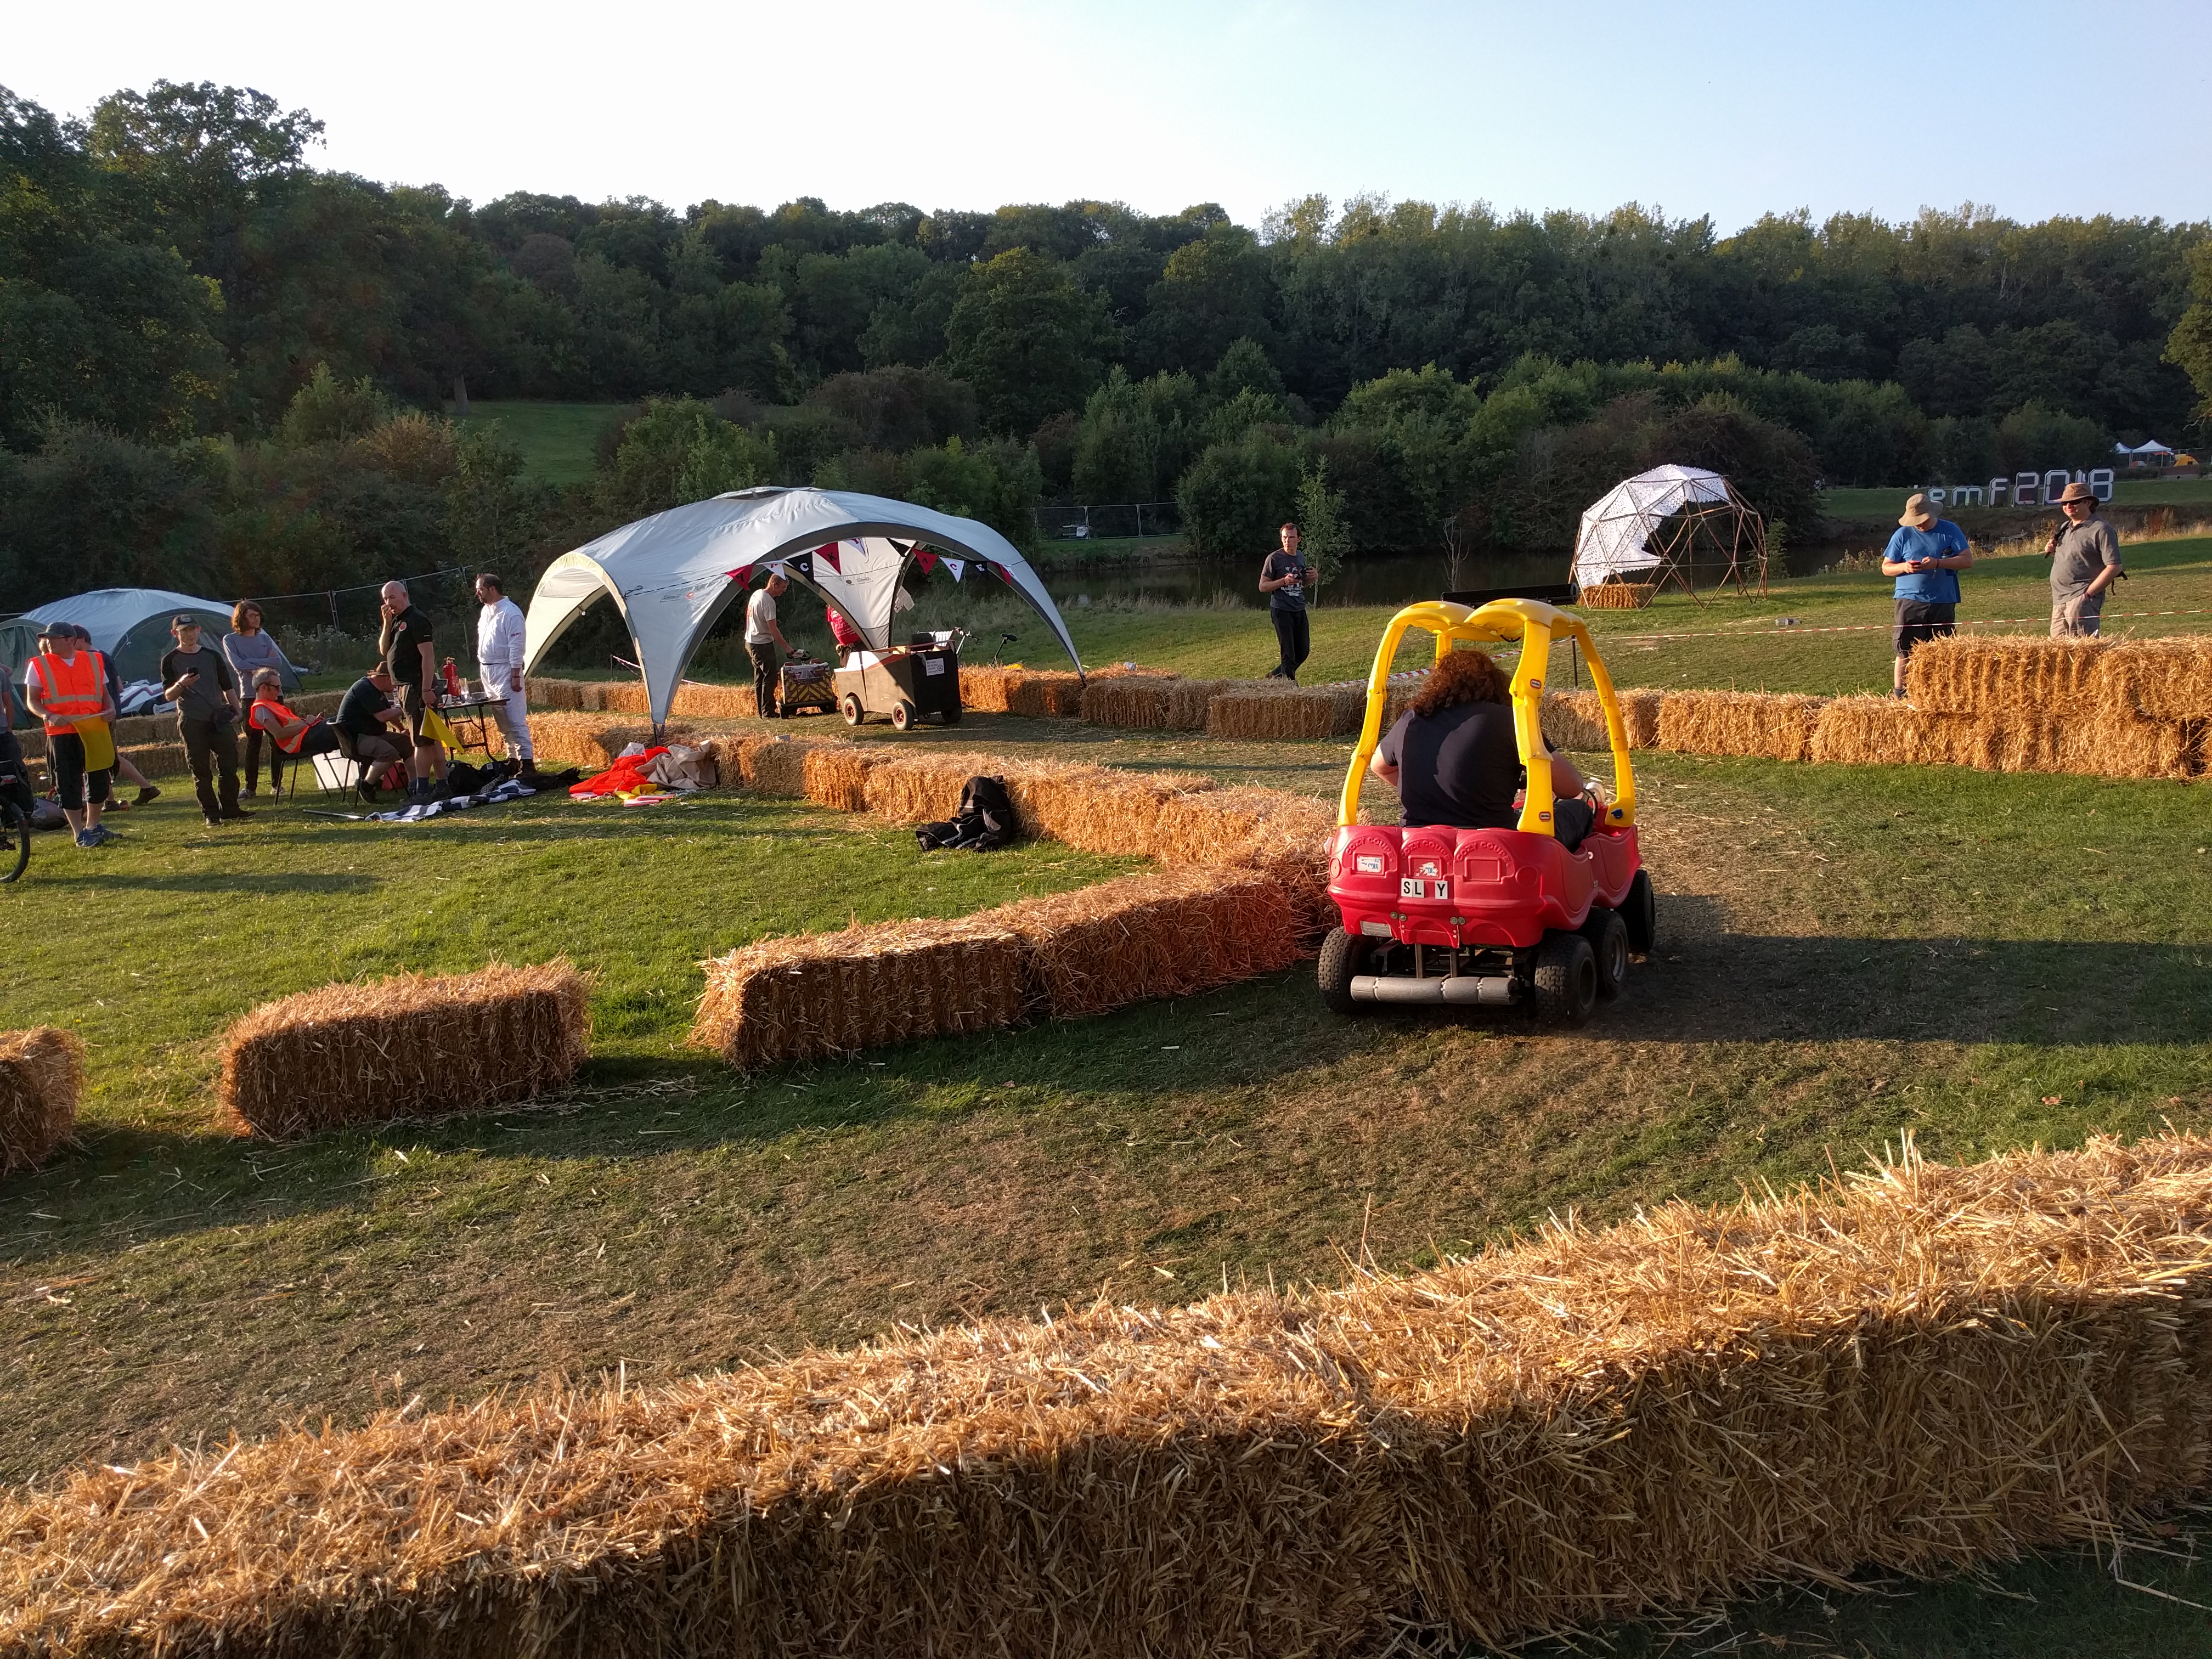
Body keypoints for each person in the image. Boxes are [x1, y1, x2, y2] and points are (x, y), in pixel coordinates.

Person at [1368, 646, 1597, 849]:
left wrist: (1432, 791)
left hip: (1419, 840)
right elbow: (1571, 787)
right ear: (1495, 684)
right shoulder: (1508, 721)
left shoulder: (1412, 719)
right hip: (1495, 844)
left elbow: (1379, 767)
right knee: (1578, 809)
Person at [25, 623, 119, 848]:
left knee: (99, 779)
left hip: (94, 729)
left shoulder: (94, 660)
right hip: (61, 732)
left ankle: (93, 826)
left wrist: (111, 709)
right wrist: (48, 715)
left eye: (53, 638)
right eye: (46, 639)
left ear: (70, 640)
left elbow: (105, 694)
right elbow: (32, 701)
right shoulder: (38, 665)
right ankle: (79, 833)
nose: (48, 642)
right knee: (68, 783)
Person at [1880, 492, 1973, 698]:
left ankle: (1939, 693)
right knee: (1905, 649)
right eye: (1915, 521)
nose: (1919, 525)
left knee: (1943, 649)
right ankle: (1901, 694)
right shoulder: (1902, 535)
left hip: (1943, 600)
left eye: (1922, 520)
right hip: (1910, 601)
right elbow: (1886, 568)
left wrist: (1938, 563)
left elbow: (1967, 560)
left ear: (1932, 515)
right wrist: (1904, 567)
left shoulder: (1950, 530)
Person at [159, 615, 249, 827]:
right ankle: (211, 814)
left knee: (229, 765)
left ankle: (230, 809)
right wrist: (181, 684)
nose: (189, 634)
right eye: (184, 631)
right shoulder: (170, 660)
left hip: (218, 718)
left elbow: (227, 687)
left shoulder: (212, 656)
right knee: (201, 771)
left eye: (192, 629)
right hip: (192, 720)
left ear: (199, 630)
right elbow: (168, 696)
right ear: (175, 634)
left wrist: (238, 711)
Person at [378, 579, 448, 799]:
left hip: (417, 686)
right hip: (404, 686)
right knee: (431, 738)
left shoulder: (416, 619)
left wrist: (426, 689)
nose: (389, 602)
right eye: (385, 599)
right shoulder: (396, 621)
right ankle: (443, 785)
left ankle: (422, 790)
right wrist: (387, 623)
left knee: (421, 740)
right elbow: (384, 650)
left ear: (404, 596)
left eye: (392, 597)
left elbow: (428, 656)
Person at [223, 601, 297, 798]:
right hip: (250, 696)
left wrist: (253, 664)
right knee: (253, 741)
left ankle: (277, 785)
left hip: (275, 697)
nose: (256, 619)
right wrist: (265, 664)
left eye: (257, 615)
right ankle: (251, 788)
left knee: (277, 740)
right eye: (251, 616)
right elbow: (238, 665)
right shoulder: (230, 640)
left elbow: (277, 663)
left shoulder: (264, 638)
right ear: (242, 618)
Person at [473, 573, 536, 775]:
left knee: (514, 717)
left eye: (480, 590)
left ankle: (527, 761)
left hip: (504, 669)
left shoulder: (511, 613)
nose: (478, 594)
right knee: (501, 717)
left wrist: (516, 674)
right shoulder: (486, 611)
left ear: (492, 588)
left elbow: (517, 646)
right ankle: (513, 758)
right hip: (487, 669)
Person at [2045, 481, 2124, 637]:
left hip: (2081, 599)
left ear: (2088, 503)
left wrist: (2087, 596)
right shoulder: (2065, 527)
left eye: (2074, 502)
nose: (2068, 506)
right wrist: (2053, 550)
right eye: (2065, 503)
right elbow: (2077, 557)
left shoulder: (2101, 529)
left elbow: (2115, 567)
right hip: (2059, 599)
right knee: (2058, 649)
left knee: (2083, 648)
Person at [245, 669, 342, 792]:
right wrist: (307, 723)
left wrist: (311, 722)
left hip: (307, 736)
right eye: (277, 687)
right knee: (342, 723)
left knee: (341, 722)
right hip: (302, 742)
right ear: (264, 688)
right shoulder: (261, 708)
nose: (279, 691)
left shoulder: (271, 705)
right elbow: (279, 734)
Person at [333, 663, 414, 803]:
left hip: (373, 735)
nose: (396, 687)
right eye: (395, 682)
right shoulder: (365, 689)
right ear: (388, 678)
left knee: (408, 745)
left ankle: (416, 787)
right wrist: (405, 707)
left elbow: (388, 713)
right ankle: (366, 785)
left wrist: (401, 729)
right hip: (356, 738)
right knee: (389, 754)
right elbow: (382, 717)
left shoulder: (376, 689)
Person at [1258, 522, 1311, 681]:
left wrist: (1312, 578)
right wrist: (1283, 581)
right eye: (1284, 538)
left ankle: (1274, 675)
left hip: (1299, 609)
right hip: (1281, 610)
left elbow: (1303, 583)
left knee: (1303, 651)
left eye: (1291, 537)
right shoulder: (1274, 558)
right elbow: (1262, 586)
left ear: (1299, 539)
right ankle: (1291, 688)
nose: (1287, 541)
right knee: (1288, 654)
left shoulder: (1300, 557)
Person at [746, 571, 794, 718]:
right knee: (771, 677)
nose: (783, 592)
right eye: (782, 588)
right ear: (774, 585)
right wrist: (787, 648)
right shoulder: (768, 601)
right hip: (762, 644)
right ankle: (768, 712)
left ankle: (762, 711)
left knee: (760, 677)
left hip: (751, 642)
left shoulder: (757, 594)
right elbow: (773, 628)